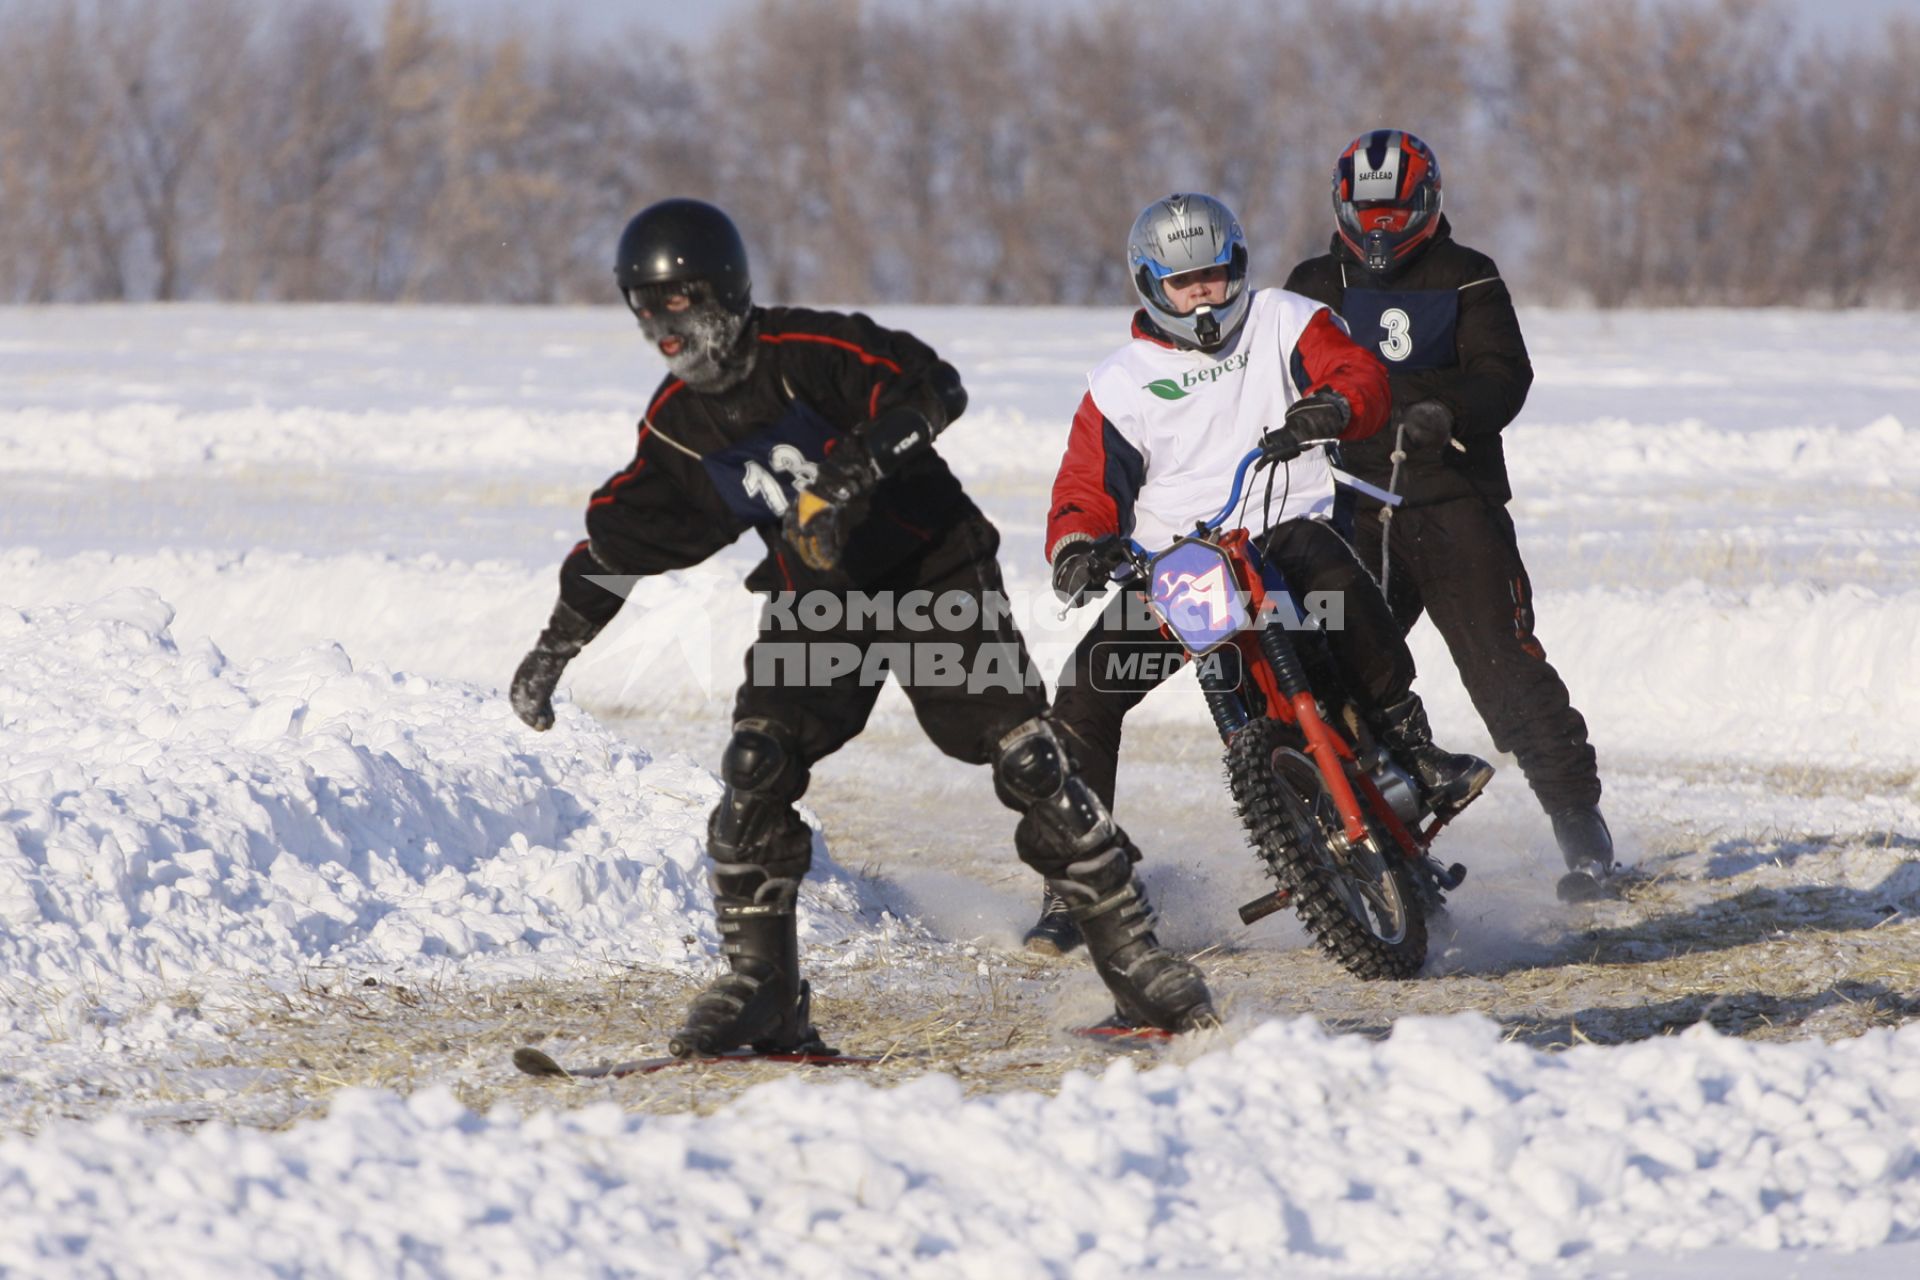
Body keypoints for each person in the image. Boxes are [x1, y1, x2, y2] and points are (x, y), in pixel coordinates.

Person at [511, 198, 1218, 1050]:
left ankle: (1138, 969)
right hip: (819, 600)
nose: (667, 327)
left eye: (682, 301)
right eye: (647, 307)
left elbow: (932, 386)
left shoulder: (809, 351)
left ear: (727, 290)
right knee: (755, 768)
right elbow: (622, 538)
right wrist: (555, 647)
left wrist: (841, 479)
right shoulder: (681, 429)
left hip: (931, 570)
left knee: (1030, 760)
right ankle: (763, 992)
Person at [1021, 192, 1493, 954]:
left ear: (1236, 268)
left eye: (1213, 273)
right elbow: (1085, 486)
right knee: (1082, 694)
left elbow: (1359, 375)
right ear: (1150, 285)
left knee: (1336, 582)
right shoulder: (1120, 381)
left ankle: (1413, 749)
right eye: (1183, 282)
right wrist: (1078, 545)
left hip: (1284, 535)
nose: (1203, 292)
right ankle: (1076, 886)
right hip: (1183, 573)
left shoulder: (1284, 319)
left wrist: (1333, 406)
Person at [1281, 130, 1612, 903]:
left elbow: (1506, 374)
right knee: (1331, 671)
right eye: (1368, 211)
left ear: (1428, 205)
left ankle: (1580, 828)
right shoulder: (1308, 283)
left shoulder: (1468, 278)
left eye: (1398, 210)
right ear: (1342, 209)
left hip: (1453, 504)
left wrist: (1448, 412)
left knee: (1506, 674)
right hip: (1348, 510)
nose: (1382, 227)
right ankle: (1377, 834)